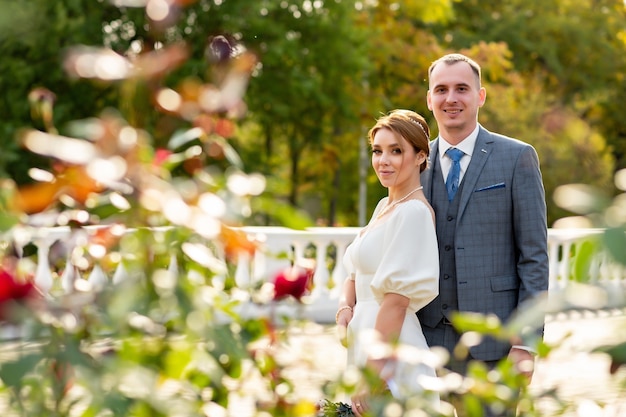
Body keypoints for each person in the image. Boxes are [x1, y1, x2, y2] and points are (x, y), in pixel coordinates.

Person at [417, 53, 549, 416]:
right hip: (425, 342)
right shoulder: (414, 162)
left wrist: (526, 344)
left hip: (497, 345)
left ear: (481, 96)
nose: (451, 98)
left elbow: (534, 258)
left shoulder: (517, 157)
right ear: (429, 99)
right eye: (441, 90)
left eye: (462, 88)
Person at [335, 109, 440, 416]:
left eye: (396, 151)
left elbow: (396, 301)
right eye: (377, 150)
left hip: (390, 345)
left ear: (420, 156)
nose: (383, 160)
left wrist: (374, 370)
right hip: (364, 334)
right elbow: (355, 271)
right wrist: (345, 308)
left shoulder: (414, 213)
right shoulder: (385, 206)